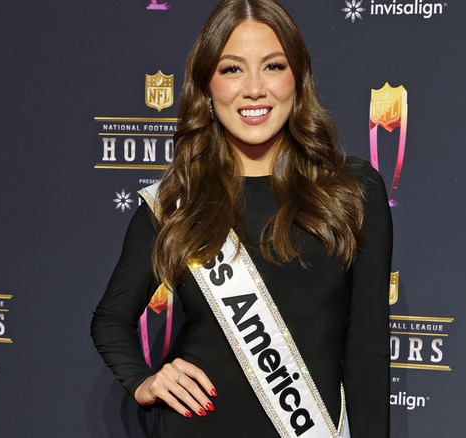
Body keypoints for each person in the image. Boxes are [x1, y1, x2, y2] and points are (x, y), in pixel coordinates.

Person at [91, 0, 392, 436]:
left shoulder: (352, 190)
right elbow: (110, 318)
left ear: (297, 78)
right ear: (207, 85)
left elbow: (366, 349)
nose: (254, 89)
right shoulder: (176, 201)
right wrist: (143, 380)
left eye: (272, 66)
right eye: (232, 69)